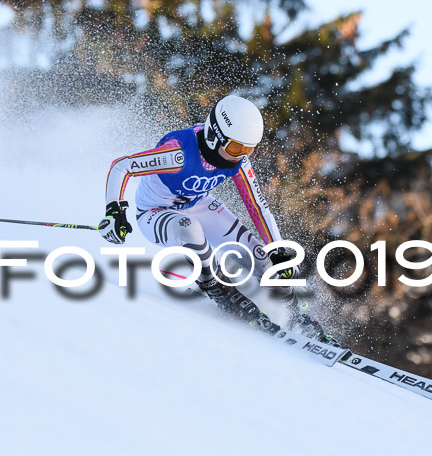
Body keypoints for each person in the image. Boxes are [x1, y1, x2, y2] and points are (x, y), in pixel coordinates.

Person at [98, 95, 339, 345]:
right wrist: (114, 210)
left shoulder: (238, 162)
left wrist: (278, 252)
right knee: (189, 228)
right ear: (215, 135)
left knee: (264, 260)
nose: (240, 156)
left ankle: (294, 317)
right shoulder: (177, 153)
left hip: (198, 204)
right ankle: (213, 285)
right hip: (155, 212)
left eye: (248, 150)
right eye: (236, 148)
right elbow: (122, 166)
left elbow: (258, 207)